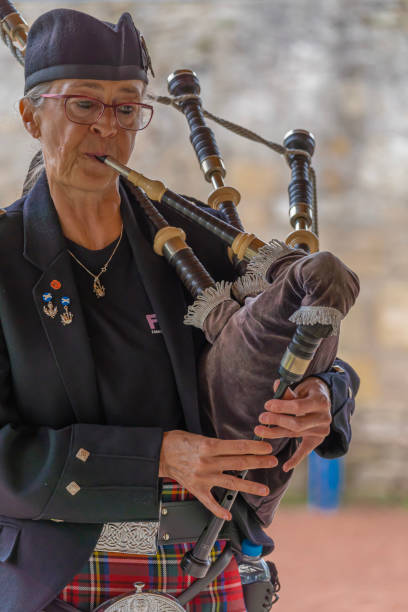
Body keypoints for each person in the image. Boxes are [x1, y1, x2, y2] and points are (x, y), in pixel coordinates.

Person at [0, 8, 359, 612]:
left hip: (203, 569)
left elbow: (290, 334)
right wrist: (156, 456)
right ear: (32, 116)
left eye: (125, 108)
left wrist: (324, 397)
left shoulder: (194, 235)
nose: (106, 128)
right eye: (82, 104)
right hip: (56, 581)